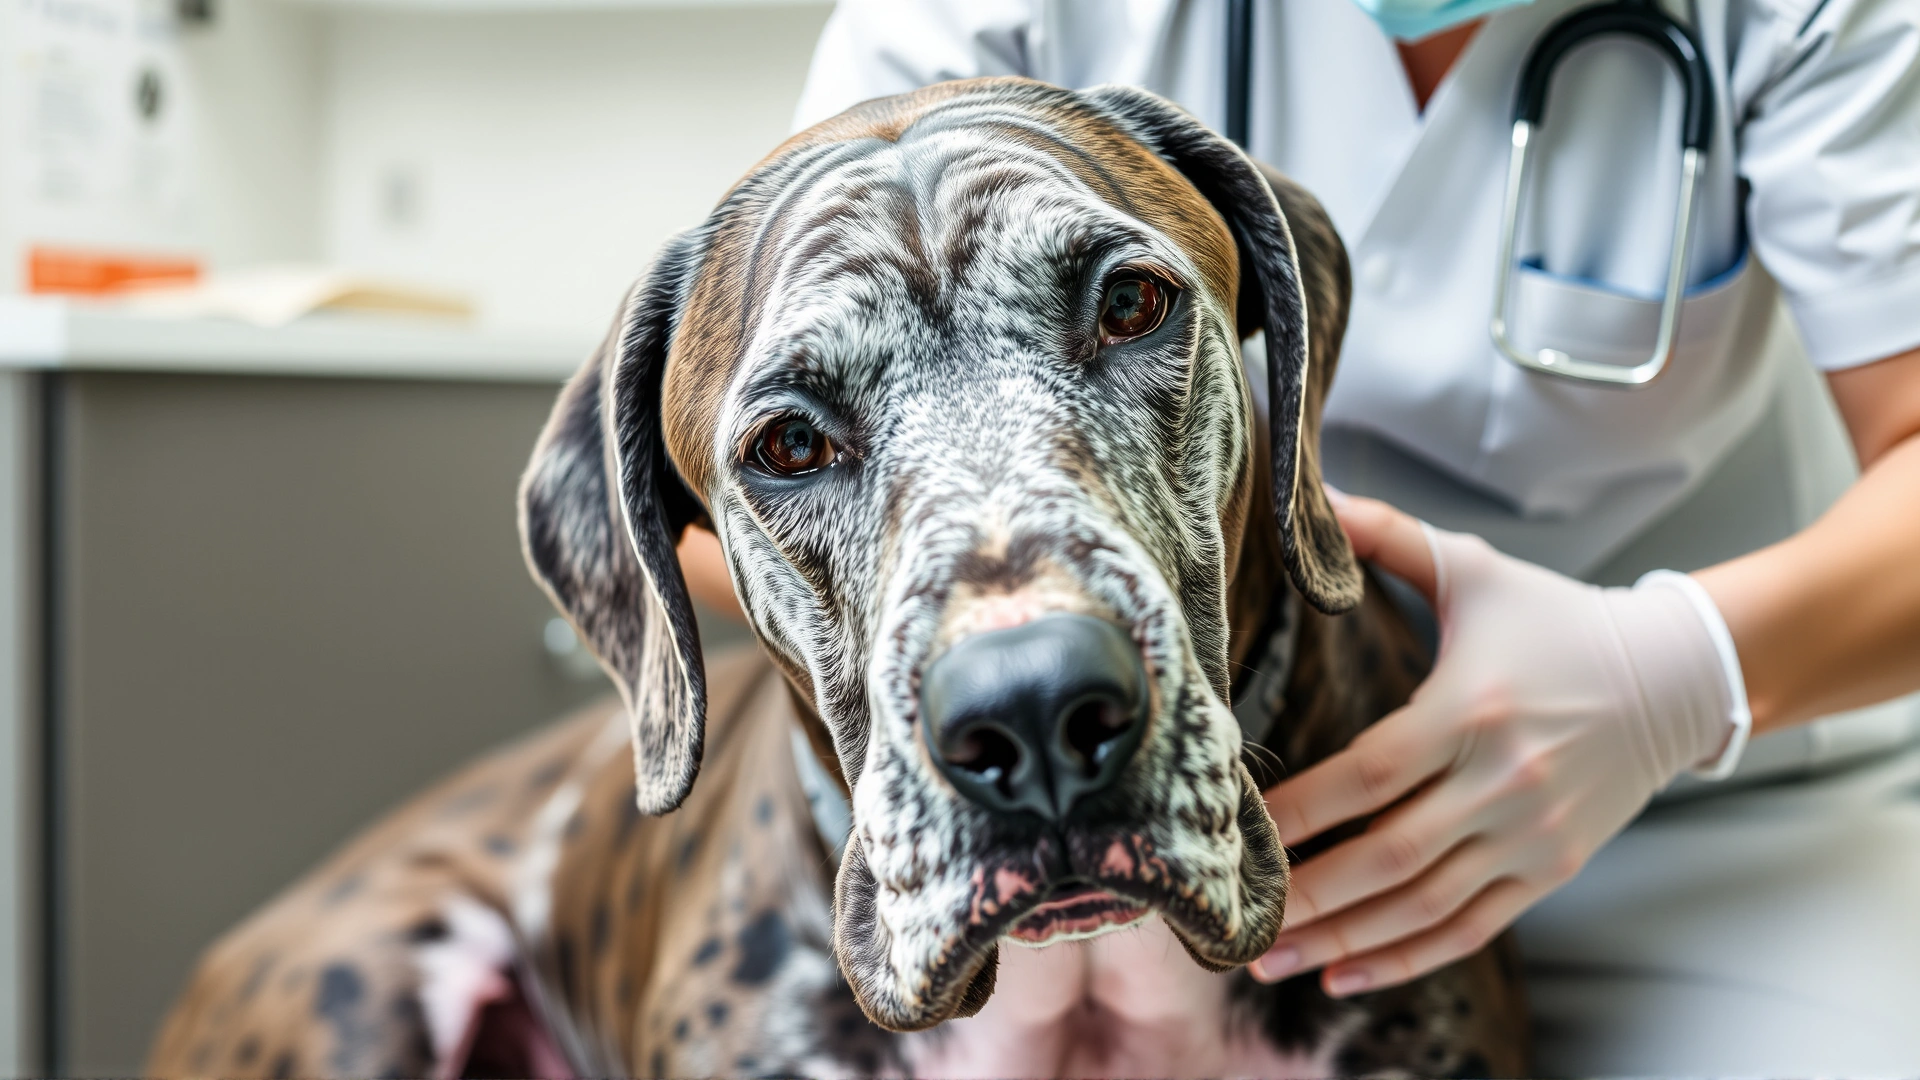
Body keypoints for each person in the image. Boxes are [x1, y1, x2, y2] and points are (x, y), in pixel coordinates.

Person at [679, 0, 1920, 1072]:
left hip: (1730, 795)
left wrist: (1671, 674)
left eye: (1129, 305)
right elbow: (745, 460)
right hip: (1234, 757)